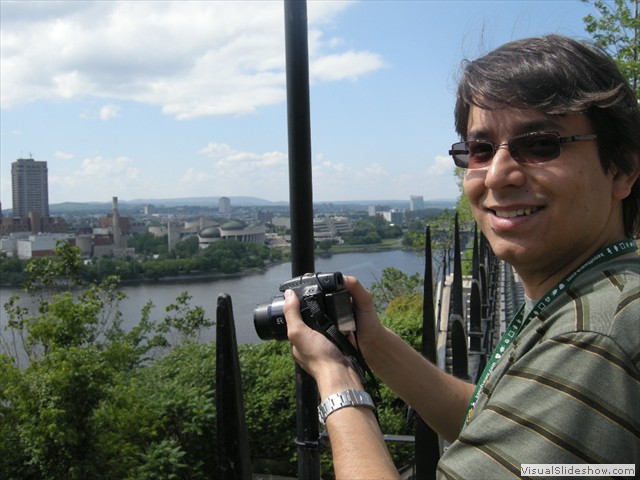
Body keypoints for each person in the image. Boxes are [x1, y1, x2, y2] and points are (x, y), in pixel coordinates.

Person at [283, 34, 640, 479]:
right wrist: (370, 343)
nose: (498, 174)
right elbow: (496, 427)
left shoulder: (593, 337)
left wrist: (335, 377)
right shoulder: (599, 292)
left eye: (541, 143)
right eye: (480, 149)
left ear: (622, 169)